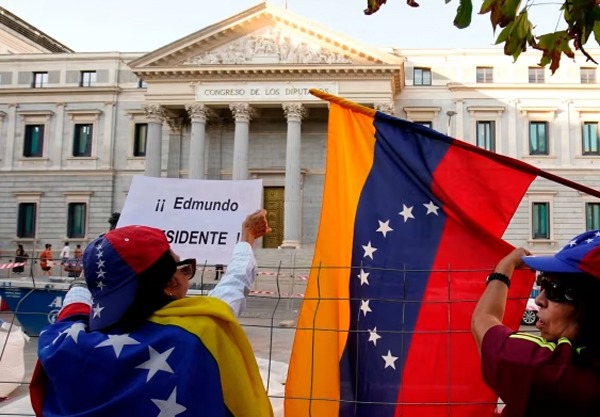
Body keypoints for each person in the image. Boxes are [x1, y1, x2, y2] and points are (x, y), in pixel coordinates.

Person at [30, 210, 274, 417]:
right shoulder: (197, 335)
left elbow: (76, 303)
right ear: (170, 283)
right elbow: (233, 286)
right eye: (182, 267)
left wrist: (103, 262)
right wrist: (246, 239)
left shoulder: (65, 343)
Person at [472, 229, 600, 417]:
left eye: (554, 289)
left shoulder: (554, 373)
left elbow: (483, 320)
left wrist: (503, 269)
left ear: (590, 303)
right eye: (543, 284)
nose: (539, 300)